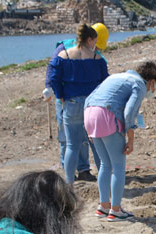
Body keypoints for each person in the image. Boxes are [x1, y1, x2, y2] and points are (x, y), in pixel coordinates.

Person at [82, 61, 156, 222]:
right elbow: (129, 112)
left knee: (105, 164)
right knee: (118, 166)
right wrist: (130, 138)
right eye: (153, 88)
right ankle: (115, 210)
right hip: (107, 117)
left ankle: (103, 206)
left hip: (90, 115)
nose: (150, 91)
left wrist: (88, 128)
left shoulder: (117, 76)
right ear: (151, 81)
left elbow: (89, 99)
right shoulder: (139, 84)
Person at [45, 24, 110, 184]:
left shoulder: (64, 54)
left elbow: (53, 77)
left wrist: (60, 96)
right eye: (95, 41)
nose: (95, 44)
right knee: (96, 145)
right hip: (92, 105)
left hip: (72, 103)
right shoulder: (97, 58)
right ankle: (104, 179)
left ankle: (69, 184)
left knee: (72, 146)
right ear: (89, 39)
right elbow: (105, 81)